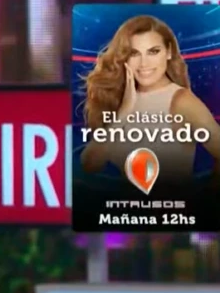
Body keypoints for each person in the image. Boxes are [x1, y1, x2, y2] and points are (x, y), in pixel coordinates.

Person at [80, 14, 220, 182]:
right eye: (134, 53)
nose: (144, 63)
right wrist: (124, 111)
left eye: (153, 51)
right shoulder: (119, 100)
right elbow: (90, 165)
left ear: (169, 52)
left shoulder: (181, 101)